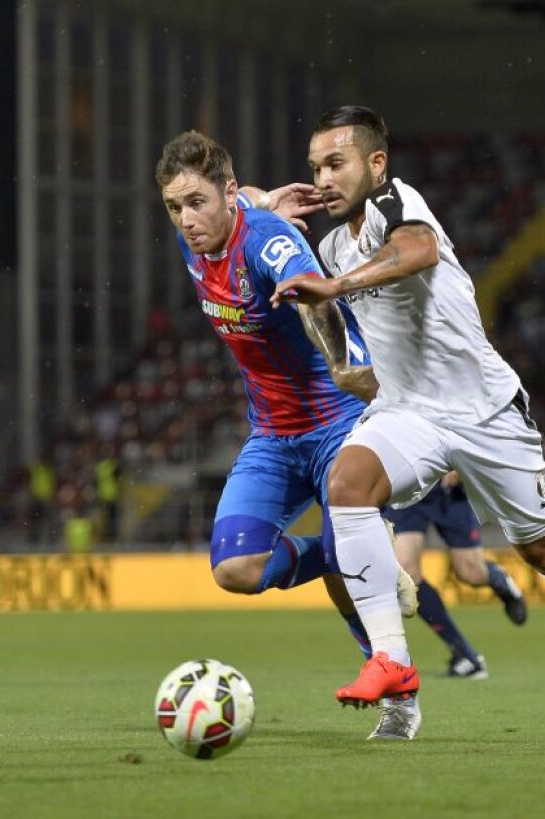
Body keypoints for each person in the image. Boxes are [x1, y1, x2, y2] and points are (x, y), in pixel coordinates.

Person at [271, 106, 545, 740]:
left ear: (376, 164)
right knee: (347, 485)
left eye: (336, 163)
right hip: (409, 411)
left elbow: (418, 250)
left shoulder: (397, 203)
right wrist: (335, 350)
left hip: (485, 411)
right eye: (316, 168)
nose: (324, 179)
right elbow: (324, 310)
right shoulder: (329, 247)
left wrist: (337, 285)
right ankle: (393, 662)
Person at [156, 130, 418, 739]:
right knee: (235, 570)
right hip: (272, 435)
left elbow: (314, 301)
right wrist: (260, 195)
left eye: (196, 202)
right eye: (174, 207)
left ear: (224, 194)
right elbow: (244, 195)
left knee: (349, 580)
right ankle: (346, 550)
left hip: (338, 423)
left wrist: (349, 368)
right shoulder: (201, 235)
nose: (186, 220)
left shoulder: (268, 242)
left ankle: (400, 698)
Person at [382, 470, 527, 679]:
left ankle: (499, 580)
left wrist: (460, 463)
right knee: (406, 574)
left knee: (471, 573)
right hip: (408, 486)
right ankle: (464, 654)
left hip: (449, 491)